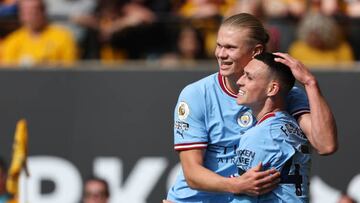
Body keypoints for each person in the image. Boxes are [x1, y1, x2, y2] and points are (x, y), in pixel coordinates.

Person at [166, 13, 337, 202]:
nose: (221, 54)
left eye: (230, 47)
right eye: (219, 45)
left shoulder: (285, 94)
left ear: (256, 51)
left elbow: (325, 145)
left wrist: (310, 82)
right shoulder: (196, 95)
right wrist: (238, 185)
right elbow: (192, 174)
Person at [233, 52, 311, 202]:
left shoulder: (260, 136)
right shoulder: (292, 125)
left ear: (272, 89)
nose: (239, 81)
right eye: (243, 74)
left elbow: (243, 199)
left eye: (249, 77)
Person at [1, 0, 78, 67]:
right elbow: (9, 71)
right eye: (27, 12)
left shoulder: (63, 36)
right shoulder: (12, 40)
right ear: (21, 15)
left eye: (35, 11)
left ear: (44, 12)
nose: (31, 16)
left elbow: (70, 68)